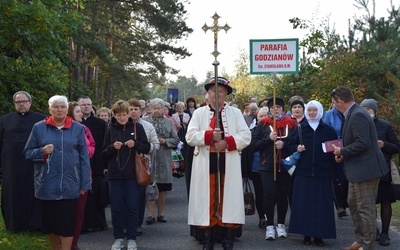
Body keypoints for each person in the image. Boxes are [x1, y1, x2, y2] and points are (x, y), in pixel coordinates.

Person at [186, 77, 251, 250]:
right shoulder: (199, 114)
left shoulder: (235, 113)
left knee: (227, 198)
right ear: (208, 93)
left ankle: (227, 239)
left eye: (221, 92)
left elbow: (246, 136)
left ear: (226, 95)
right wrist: (208, 136)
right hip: (206, 162)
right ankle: (207, 240)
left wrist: (227, 142)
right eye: (214, 91)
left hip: (228, 160)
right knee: (207, 197)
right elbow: (190, 136)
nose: (217, 95)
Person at [23, 95, 91, 250]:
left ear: (67, 109)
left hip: (70, 185)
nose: (59, 110)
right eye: (56, 107)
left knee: (67, 224)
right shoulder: (39, 128)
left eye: (62, 107)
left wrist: (85, 184)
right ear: (49, 109)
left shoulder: (78, 129)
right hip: (46, 185)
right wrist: (42, 151)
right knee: (50, 225)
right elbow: (27, 153)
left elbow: (84, 159)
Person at [330, 87, 388, 250]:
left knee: (365, 208)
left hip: (367, 171)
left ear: (341, 100)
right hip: (357, 170)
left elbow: (363, 143)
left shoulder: (357, 115)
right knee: (353, 204)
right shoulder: (353, 113)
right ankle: (360, 240)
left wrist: (342, 151)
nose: (334, 106)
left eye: (334, 102)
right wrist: (344, 155)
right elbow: (357, 142)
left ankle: (368, 246)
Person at [286, 100, 338, 247]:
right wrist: (297, 147)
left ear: (320, 111)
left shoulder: (328, 130)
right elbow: (290, 145)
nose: (312, 113)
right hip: (303, 172)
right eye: (309, 110)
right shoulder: (301, 128)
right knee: (305, 205)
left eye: (314, 110)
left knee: (322, 205)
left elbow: (334, 149)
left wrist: (336, 170)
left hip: (322, 172)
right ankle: (306, 235)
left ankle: (320, 235)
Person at [102, 100, 150, 250]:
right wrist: (112, 147)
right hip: (115, 175)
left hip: (132, 175)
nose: (122, 118)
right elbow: (103, 152)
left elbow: (147, 148)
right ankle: (118, 238)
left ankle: (132, 238)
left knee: (132, 207)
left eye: (124, 114)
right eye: (119, 115)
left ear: (129, 114)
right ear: (114, 115)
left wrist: (135, 144)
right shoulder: (110, 129)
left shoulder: (138, 127)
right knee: (116, 208)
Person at [252, 96, 297, 241]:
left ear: (283, 109)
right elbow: (254, 144)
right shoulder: (263, 124)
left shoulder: (291, 124)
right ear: (269, 109)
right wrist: (268, 139)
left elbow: (295, 143)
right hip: (267, 166)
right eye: (272, 107)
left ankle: (281, 224)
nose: (275, 109)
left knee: (282, 194)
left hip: (283, 166)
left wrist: (284, 145)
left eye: (278, 107)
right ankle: (270, 225)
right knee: (269, 193)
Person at [0, 91, 45, 233]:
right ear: (14, 104)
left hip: (33, 164)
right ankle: (14, 225)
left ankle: (35, 225)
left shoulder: (40, 120)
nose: (21, 104)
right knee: (12, 193)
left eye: (24, 101)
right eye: (18, 102)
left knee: (33, 193)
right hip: (11, 165)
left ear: (30, 102)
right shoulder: (4, 120)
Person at [360, 98, 400, 246]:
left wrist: (384, 145)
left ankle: (385, 233)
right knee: (368, 203)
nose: (366, 112)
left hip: (382, 170)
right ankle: (373, 231)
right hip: (364, 169)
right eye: (363, 109)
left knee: (385, 202)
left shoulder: (385, 126)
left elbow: (396, 147)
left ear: (374, 111)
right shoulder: (358, 125)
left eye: (368, 109)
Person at [143, 98, 179, 225]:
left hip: (164, 157)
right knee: (150, 186)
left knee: (163, 187)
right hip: (149, 157)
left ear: (164, 109)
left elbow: (176, 139)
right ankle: (150, 214)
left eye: (159, 108)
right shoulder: (144, 122)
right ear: (150, 109)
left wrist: (166, 141)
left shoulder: (169, 123)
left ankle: (161, 213)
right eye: (154, 108)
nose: (157, 110)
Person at [127, 98, 160, 236]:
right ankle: (126, 224)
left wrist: (143, 148)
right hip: (124, 166)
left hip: (141, 165)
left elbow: (156, 145)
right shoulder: (120, 125)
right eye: (131, 109)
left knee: (140, 196)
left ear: (141, 111)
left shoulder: (147, 126)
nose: (133, 112)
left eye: (136, 109)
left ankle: (137, 223)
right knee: (125, 197)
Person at [77, 96, 109, 232]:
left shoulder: (100, 123)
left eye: (88, 104)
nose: (86, 107)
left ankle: (100, 222)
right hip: (80, 165)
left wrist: (106, 165)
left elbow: (106, 144)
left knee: (98, 195)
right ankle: (83, 224)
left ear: (92, 106)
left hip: (98, 163)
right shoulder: (75, 124)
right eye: (83, 105)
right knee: (84, 196)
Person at [67, 101, 96, 250]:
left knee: (79, 212)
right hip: (66, 176)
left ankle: (74, 243)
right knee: (65, 212)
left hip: (83, 176)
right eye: (78, 112)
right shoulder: (61, 129)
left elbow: (92, 145)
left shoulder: (84, 128)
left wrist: (88, 152)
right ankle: (63, 241)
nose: (81, 114)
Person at [241, 107, 269, 230]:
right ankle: (262, 217)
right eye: (261, 116)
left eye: (265, 115)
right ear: (257, 119)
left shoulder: (273, 131)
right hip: (256, 168)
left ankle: (270, 216)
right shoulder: (251, 132)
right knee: (260, 193)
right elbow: (246, 153)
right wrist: (245, 172)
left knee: (271, 194)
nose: (263, 118)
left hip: (270, 168)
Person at [322, 103, 348, 218]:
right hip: (334, 150)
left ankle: (346, 202)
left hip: (350, 149)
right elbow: (326, 133)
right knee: (337, 178)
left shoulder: (349, 114)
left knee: (346, 178)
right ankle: (339, 205)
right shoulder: (328, 115)